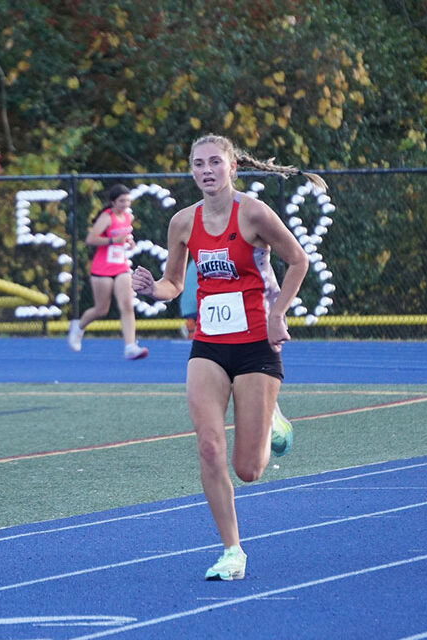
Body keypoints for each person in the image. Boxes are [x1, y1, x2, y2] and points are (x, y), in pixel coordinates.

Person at [131, 134, 325, 580]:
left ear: (232, 167)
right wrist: (152, 289)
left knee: (249, 469)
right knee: (208, 444)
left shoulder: (254, 213)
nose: (207, 171)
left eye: (215, 162)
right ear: (191, 171)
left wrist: (278, 314)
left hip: (257, 343)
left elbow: (298, 261)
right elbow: (174, 283)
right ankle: (232, 550)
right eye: (198, 164)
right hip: (209, 345)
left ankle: (274, 416)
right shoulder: (183, 223)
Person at [67, 184, 148, 360]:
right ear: (113, 202)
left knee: (127, 304)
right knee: (101, 309)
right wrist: (113, 240)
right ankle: (78, 327)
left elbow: (125, 234)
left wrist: (129, 241)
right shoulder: (106, 217)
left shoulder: (128, 216)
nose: (125, 203)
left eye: (127, 200)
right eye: (121, 201)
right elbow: (91, 239)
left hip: (121, 266)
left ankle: (130, 346)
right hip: (102, 269)